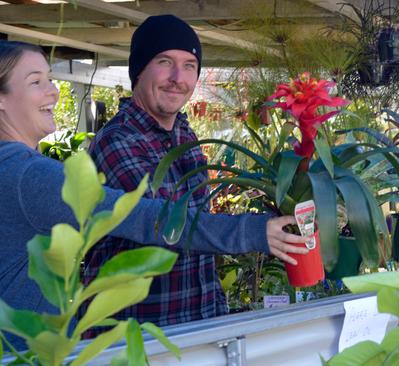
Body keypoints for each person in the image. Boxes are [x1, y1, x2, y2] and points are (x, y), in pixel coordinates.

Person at [0, 40, 308, 349]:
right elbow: (146, 218)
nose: (53, 91)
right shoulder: (28, 173)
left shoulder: (14, 167)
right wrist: (253, 231)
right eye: (36, 82)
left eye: (50, 79)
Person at [82, 14, 288, 333]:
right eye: (165, 61)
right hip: (138, 337)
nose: (178, 77)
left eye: (189, 65)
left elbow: (198, 227)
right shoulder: (118, 141)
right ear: (139, 70)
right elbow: (164, 224)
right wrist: (255, 232)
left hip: (197, 327)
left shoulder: (184, 134)